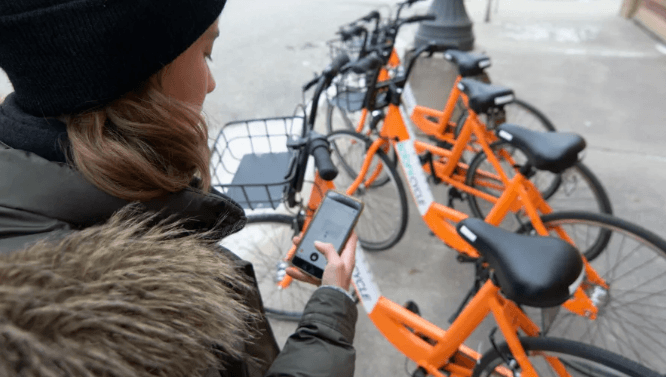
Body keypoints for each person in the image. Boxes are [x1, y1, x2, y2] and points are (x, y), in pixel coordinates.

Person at [0, 1, 357, 376]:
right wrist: (329, 319)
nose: (211, 83)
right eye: (207, 54)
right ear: (137, 74)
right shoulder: (122, 324)